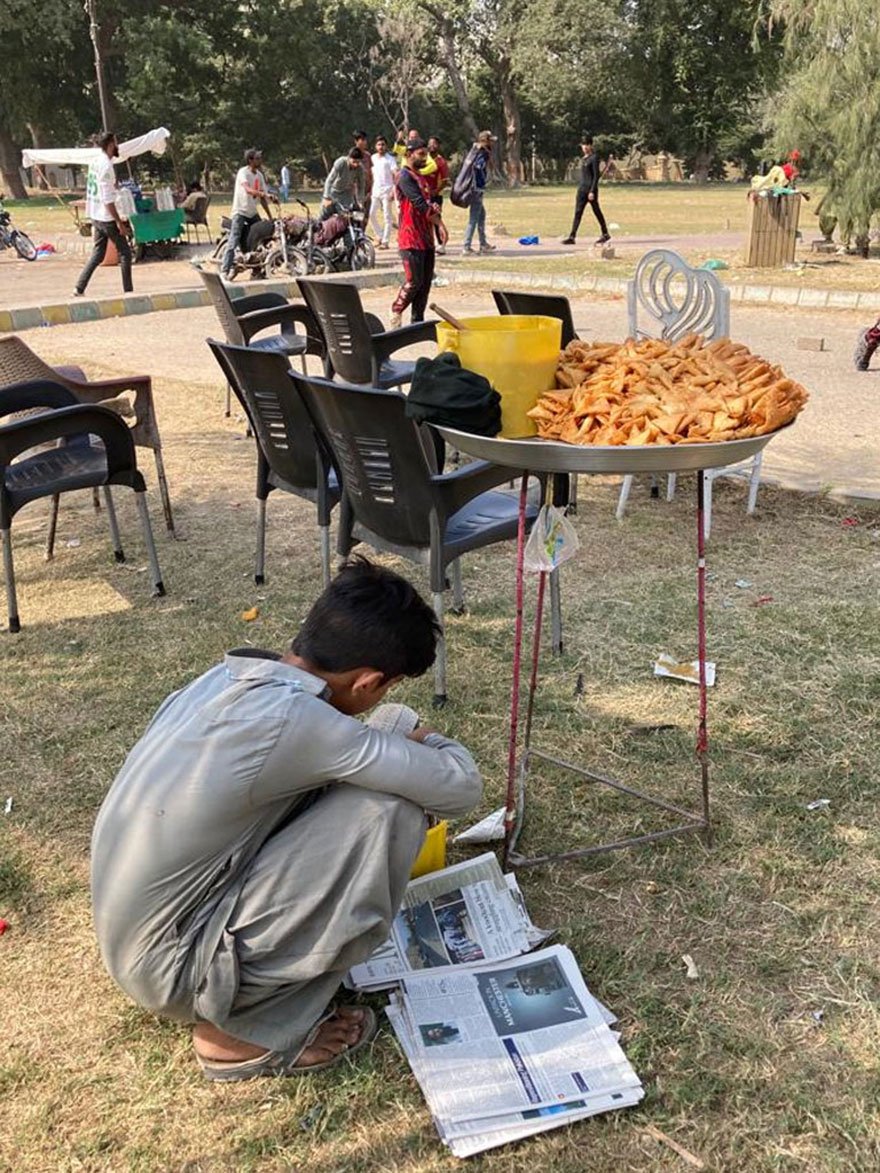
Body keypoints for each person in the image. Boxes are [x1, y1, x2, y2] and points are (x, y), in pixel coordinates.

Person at [90, 559, 482, 1082]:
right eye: (385, 690)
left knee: (376, 763)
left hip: (139, 939)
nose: (379, 702)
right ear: (367, 681)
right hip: (179, 968)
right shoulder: (299, 723)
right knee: (389, 810)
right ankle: (238, 1035)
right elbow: (460, 788)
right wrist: (425, 737)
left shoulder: (227, 677)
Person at [74, 131, 133, 298]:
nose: (118, 146)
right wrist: (119, 222)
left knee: (98, 253)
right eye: (115, 143)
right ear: (109, 145)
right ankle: (128, 291)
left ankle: (79, 287)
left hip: (95, 213)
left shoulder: (95, 162)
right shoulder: (106, 165)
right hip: (106, 216)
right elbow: (107, 200)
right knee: (125, 253)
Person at [391, 138, 441, 328]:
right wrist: (440, 225)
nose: (424, 158)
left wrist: (435, 210)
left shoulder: (420, 176)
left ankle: (417, 323)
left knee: (425, 283)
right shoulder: (404, 176)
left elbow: (428, 203)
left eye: (425, 155)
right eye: (421, 154)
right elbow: (419, 204)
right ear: (408, 154)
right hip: (410, 238)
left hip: (426, 238)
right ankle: (396, 310)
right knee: (414, 282)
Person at [222, 148, 272, 280]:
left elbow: (262, 200)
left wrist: (270, 216)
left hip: (252, 213)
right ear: (250, 160)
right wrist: (263, 194)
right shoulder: (243, 172)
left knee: (260, 239)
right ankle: (225, 270)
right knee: (234, 240)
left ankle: (257, 271)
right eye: (257, 158)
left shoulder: (259, 175)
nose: (260, 161)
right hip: (240, 211)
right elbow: (248, 190)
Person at [561, 134, 610, 247]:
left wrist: (592, 191)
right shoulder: (583, 159)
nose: (584, 147)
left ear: (590, 145)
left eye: (586, 144)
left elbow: (596, 176)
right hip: (582, 189)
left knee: (597, 211)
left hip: (590, 190)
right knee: (578, 213)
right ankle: (572, 236)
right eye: (583, 145)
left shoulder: (594, 158)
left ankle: (605, 233)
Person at [462, 130, 496, 255]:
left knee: (481, 215)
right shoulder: (483, 152)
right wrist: (483, 181)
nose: (493, 143)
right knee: (474, 217)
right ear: (485, 141)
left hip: (473, 188)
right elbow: (478, 167)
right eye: (491, 140)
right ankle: (466, 246)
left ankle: (483, 243)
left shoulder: (474, 150)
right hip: (477, 189)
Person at [370, 135, 398, 249]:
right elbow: (371, 174)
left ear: (386, 146)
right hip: (376, 190)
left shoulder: (390, 159)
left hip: (387, 190)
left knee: (387, 216)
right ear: (375, 146)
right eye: (379, 144)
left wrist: (394, 190)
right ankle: (380, 235)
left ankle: (385, 241)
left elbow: (396, 174)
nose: (381, 147)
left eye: (383, 144)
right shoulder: (373, 158)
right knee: (371, 214)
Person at [322, 147, 365, 219]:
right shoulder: (341, 163)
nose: (356, 165)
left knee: (348, 217)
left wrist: (360, 201)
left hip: (346, 194)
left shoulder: (360, 168)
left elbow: (361, 186)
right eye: (354, 162)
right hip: (334, 192)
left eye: (358, 162)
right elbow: (329, 180)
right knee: (324, 215)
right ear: (349, 158)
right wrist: (326, 197)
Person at [426, 135, 450, 255]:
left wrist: (435, 190)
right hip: (424, 195)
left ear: (438, 146)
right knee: (425, 220)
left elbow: (445, 181)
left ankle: (441, 244)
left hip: (436, 196)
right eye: (430, 143)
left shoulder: (441, 162)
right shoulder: (424, 159)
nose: (431, 146)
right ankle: (428, 244)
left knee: (436, 219)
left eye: (434, 144)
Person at [353, 131, 373, 220]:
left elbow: (371, 173)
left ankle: (362, 233)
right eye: (362, 140)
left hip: (368, 191)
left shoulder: (368, 156)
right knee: (357, 217)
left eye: (365, 140)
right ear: (356, 141)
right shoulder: (352, 155)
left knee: (365, 216)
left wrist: (372, 189)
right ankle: (357, 233)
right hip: (356, 192)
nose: (365, 142)